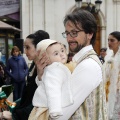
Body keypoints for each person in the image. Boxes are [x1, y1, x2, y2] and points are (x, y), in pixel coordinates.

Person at [35, 9, 108, 120]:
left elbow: (59, 115)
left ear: (90, 34)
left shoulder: (88, 65)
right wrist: (41, 75)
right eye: (67, 33)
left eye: (74, 33)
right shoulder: (79, 61)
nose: (69, 38)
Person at [1, 30, 50, 120]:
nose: (25, 51)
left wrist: (14, 115)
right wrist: (12, 105)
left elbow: (39, 102)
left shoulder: (47, 69)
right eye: (24, 47)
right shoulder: (34, 65)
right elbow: (27, 97)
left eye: (28, 47)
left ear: (39, 48)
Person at [29, 39, 73, 120]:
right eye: (56, 53)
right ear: (46, 59)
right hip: (47, 109)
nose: (61, 54)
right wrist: (55, 110)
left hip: (45, 107)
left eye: (62, 50)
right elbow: (53, 91)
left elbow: (44, 83)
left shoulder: (55, 68)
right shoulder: (54, 70)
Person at [104, 31, 120, 119]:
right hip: (108, 88)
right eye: (108, 40)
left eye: (112, 40)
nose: (109, 43)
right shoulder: (108, 56)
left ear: (119, 42)